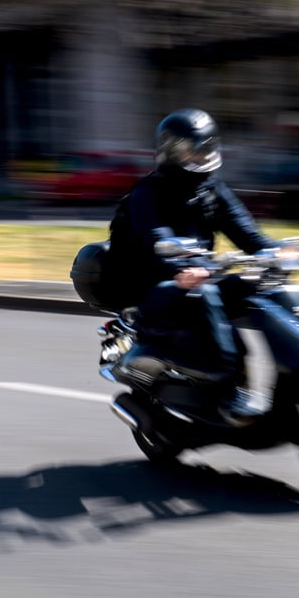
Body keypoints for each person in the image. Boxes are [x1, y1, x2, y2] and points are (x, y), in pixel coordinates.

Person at [105, 108, 276, 426]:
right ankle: (229, 389)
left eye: (207, 147)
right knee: (205, 294)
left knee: (262, 285)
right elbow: (155, 238)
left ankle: (294, 379)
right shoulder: (147, 193)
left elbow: (248, 233)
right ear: (171, 151)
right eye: (192, 148)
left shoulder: (211, 189)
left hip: (198, 277)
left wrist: (280, 254)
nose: (201, 154)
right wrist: (179, 264)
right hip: (154, 289)